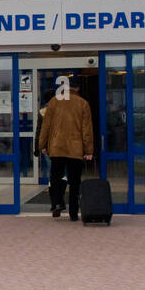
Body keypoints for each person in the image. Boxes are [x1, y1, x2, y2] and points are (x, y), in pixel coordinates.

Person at [37, 80, 94, 221]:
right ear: (77, 88)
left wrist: (42, 145)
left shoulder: (53, 102)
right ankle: (73, 213)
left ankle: (56, 203)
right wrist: (89, 150)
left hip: (56, 148)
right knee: (75, 182)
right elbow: (87, 130)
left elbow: (46, 127)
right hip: (76, 149)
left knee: (55, 178)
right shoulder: (83, 103)